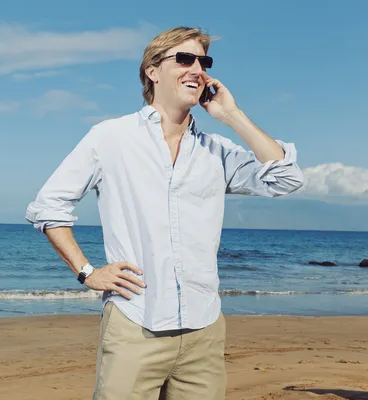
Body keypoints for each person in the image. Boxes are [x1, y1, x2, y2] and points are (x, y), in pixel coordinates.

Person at [25, 26, 304, 400]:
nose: (196, 68)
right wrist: (87, 272)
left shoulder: (217, 150)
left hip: (204, 331)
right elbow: (48, 206)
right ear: (152, 71)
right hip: (136, 324)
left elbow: (286, 179)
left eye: (203, 61)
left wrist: (233, 116)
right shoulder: (111, 137)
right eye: (184, 59)